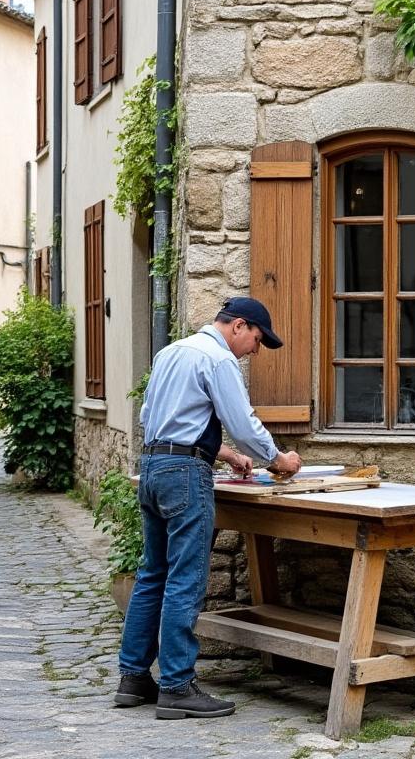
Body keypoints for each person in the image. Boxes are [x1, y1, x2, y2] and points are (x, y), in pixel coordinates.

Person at [114, 297, 303, 719]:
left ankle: (133, 679)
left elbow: (157, 419)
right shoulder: (218, 360)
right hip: (184, 474)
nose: (254, 350)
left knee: (152, 574)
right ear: (238, 326)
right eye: (256, 339)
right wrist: (279, 460)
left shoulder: (170, 352)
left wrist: (226, 457)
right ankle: (178, 687)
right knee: (186, 578)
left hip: (153, 467)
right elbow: (242, 422)